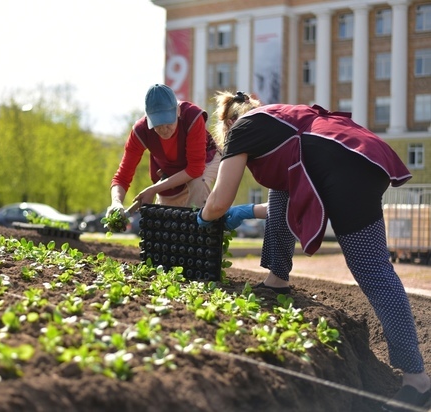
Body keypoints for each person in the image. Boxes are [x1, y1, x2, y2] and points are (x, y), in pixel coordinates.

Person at [197, 90, 431, 411]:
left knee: (372, 271)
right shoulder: (275, 123)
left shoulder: (242, 130)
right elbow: (283, 199)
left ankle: (417, 381)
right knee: (373, 266)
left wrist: (204, 217)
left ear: (227, 123)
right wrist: (248, 211)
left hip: (346, 166)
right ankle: (277, 279)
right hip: (360, 154)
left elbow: (219, 200)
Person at [107, 84, 221, 224]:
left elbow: (195, 169)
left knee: (197, 185)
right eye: (158, 125)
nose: (164, 130)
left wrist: (153, 189)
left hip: (205, 161)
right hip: (171, 170)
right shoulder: (140, 131)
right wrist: (116, 202)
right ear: (148, 119)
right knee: (165, 221)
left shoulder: (192, 116)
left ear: (177, 111)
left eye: (168, 123)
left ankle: (202, 236)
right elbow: (122, 177)